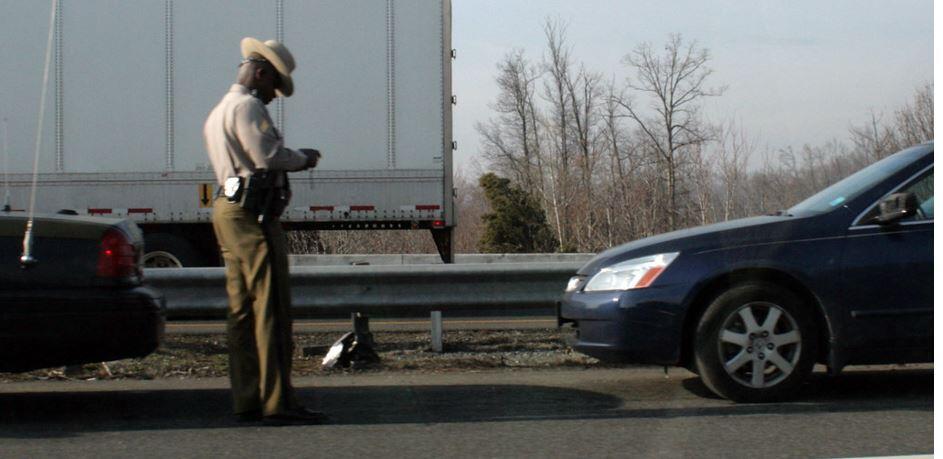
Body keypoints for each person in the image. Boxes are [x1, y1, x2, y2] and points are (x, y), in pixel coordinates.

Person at [204, 37, 323, 425]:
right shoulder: (249, 106)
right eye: (275, 85)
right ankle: (278, 402)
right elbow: (267, 156)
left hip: (227, 208)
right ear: (260, 73)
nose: (274, 96)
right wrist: (304, 158)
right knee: (270, 307)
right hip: (253, 214)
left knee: (240, 311)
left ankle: (247, 398)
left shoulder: (218, 110)